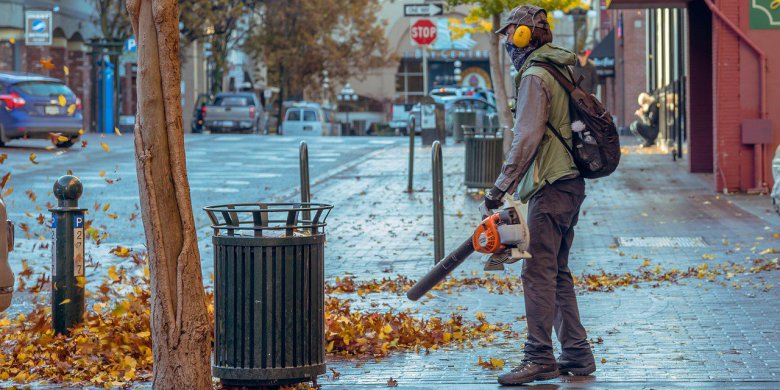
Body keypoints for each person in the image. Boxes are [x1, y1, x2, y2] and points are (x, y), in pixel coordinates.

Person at [485, 5, 596, 385]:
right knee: (556, 270)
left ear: (523, 35)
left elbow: (527, 136)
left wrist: (501, 186)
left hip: (552, 186)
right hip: (569, 183)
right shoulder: (557, 67)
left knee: (536, 272)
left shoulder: (535, 74)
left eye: (509, 34)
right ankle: (577, 355)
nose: (506, 43)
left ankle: (539, 358)